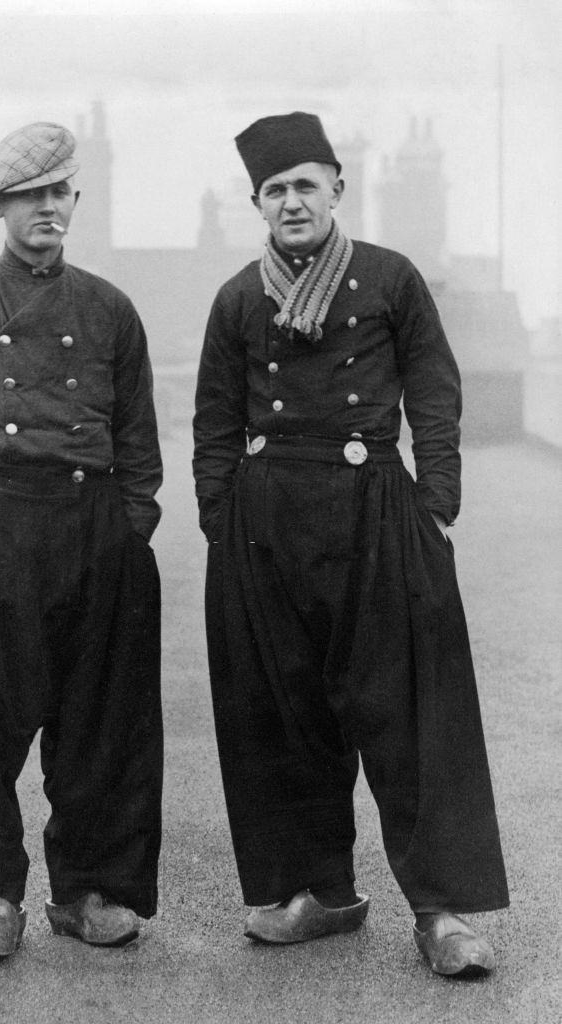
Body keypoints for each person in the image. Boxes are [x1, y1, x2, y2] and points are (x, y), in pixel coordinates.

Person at [193, 112, 508, 976]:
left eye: (305, 184)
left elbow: (435, 398)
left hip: (373, 515)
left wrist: (434, 507)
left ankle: (439, 911)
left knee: (405, 715)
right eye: (274, 190)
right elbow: (213, 423)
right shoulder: (236, 299)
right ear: (255, 203)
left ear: (337, 185)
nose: (291, 202)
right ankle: (318, 892)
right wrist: (221, 518)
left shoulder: (389, 280)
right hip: (264, 528)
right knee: (285, 719)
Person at [0, 121, 164, 960]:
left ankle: (87, 892)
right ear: (0, 206)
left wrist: (130, 530)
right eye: (30, 196)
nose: (48, 208)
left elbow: (140, 445)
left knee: (99, 721)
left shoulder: (110, 309)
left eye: (60, 193)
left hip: (92, 526)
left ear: (74, 200)